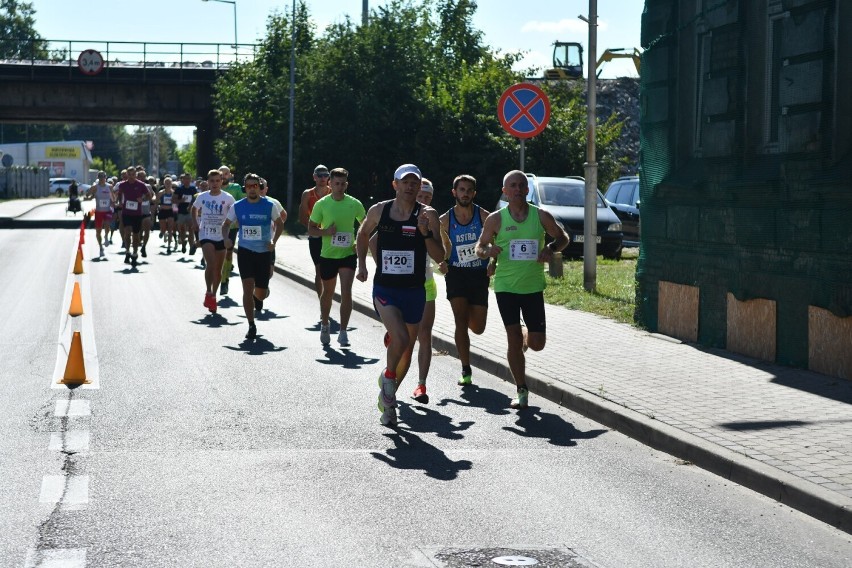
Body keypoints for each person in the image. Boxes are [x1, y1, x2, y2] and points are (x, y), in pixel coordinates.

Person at [356, 164, 444, 427]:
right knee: (403, 338)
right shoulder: (379, 210)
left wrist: (425, 232)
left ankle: (388, 388)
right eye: (405, 182)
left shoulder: (428, 214)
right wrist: (362, 264)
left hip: (415, 290)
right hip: (386, 289)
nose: (410, 187)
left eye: (414, 183)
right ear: (395, 185)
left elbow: (440, 256)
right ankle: (390, 383)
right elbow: (362, 234)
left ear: (419, 186)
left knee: (405, 345)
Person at [475, 170, 569, 409]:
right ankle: (521, 389)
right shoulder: (496, 219)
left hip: (533, 286)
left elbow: (563, 238)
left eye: (521, 186)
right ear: (504, 191)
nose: (517, 189)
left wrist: (550, 248)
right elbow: (480, 246)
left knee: (537, 344)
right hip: (505, 286)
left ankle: (529, 334)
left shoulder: (541, 216)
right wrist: (488, 253)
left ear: (527, 190)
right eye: (512, 186)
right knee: (513, 339)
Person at [438, 174, 491, 386]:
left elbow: (495, 242)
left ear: (474, 194)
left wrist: (493, 261)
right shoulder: (444, 220)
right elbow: (437, 247)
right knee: (459, 320)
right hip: (456, 274)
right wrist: (440, 261)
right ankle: (466, 369)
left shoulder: (485, 217)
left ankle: (469, 311)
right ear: (454, 193)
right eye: (462, 190)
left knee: (478, 328)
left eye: (469, 190)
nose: (465, 194)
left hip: (478, 274)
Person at [308, 167, 366, 347]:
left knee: (347, 291)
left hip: (348, 254)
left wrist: (359, 241)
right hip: (328, 255)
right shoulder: (322, 204)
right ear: (330, 184)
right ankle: (325, 324)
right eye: (336, 184)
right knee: (328, 293)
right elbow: (311, 229)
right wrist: (327, 231)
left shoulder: (354, 203)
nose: (339, 187)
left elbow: (365, 225)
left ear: (346, 185)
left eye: (343, 184)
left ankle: (343, 331)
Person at [223, 173, 285, 339]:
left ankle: (259, 295)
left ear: (259, 187)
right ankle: (251, 325)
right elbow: (226, 224)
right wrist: (226, 239)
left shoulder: (269, 205)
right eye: (249, 186)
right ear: (245, 188)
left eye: (255, 186)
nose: (252, 189)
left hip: (264, 252)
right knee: (247, 288)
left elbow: (279, 223)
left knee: (261, 293)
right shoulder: (238, 206)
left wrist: (274, 240)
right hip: (245, 251)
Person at [192, 169, 236, 313]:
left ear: (222, 181)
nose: (215, 183)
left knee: (218, 269)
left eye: (218, 180)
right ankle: (208, 290)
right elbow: (194, 208)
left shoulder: (228, 198)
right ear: (208, 182)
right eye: (212, 181)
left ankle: (213, 296)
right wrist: (195, 223)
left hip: (222, 235)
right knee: (210, 264)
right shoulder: (202, 197)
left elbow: (235, 212)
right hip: (206, 234)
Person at [298, 164, 332, 316]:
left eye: (325, 175)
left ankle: (328, 297)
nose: (323, 178)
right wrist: (313, 229)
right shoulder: (308, 194)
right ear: (314, 177)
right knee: (319, 271)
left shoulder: (334, 192)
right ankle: (322, 302)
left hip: (331, 236)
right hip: (316, 236)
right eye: (319, 175)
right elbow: (302, 217)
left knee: (331, 270)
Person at [258, 177, 287, 309]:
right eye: (257, 186)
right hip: (252, 243)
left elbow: (283, 215)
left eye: (262, 187)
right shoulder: (248, 202)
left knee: (269, 272)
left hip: (268, 242)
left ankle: (263, 285)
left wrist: (277, 224)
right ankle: (257, 291)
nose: (260, 189)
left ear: (266, 189)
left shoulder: (273, 202)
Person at [116, 166, 153, 267]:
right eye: (129, 174)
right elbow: (119, 194)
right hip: (126, 212)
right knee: (127, 233)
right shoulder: (123, 185)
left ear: (136, 174)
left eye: (133, 174)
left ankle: (135, 253)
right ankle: (127, 251)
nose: (131, 177)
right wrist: (119, 202)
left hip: (137, 214)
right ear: (127, 175)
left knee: (136, 235)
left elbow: (149, 196)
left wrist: (143, 199)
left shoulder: (141, 185)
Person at [219, 165, 244, 295]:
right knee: (219, 254)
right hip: (216, 226)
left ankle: (225, 281)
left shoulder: (236, 188)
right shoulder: (215, 188)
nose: (223, 175)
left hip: (232, 226)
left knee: (228, 253)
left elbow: (243, 203)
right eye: (221, 173)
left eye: (226, 173)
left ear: (230, 175)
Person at [85, 171, 115, 257]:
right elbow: (88, 194)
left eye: (103, 177)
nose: (102, 179)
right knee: (98, 231)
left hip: (107, 210)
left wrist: (113, 201)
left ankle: (106, 237)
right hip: (99, 211)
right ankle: (101, 248)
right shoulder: (95, 187)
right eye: (100, 177)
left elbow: (113, 198)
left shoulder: (109, 187)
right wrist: (89, 194)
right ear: (98, 178)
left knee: (107, 225)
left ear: (105, 177)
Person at [174, 173, 197, 255]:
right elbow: (174, 200)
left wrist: (192, 206)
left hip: (190, 213)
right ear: (182, 180)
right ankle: (183, 243)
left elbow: (196, 199)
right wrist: (181, 201)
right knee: (182, 229)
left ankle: (191, 247)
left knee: (191, 230)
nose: (187, 180)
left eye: (188, 178)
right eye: (185, 179)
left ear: (191, 180)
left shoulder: (193, 189)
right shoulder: (179, 189)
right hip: (181, 212)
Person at [157, 176, 177, 253]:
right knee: (163, 228)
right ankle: (162, 232)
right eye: (166, 183)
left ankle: (169, 246)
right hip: (162, 211)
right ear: (164, 184)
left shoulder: (174, 193)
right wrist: (158, 207)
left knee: (170, 228)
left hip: (170, 212)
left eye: (169, 183)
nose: (168, 184)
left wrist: (175, 213)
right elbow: (157, 202)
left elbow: (175, 204)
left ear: (171, 184)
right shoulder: (161, 193)